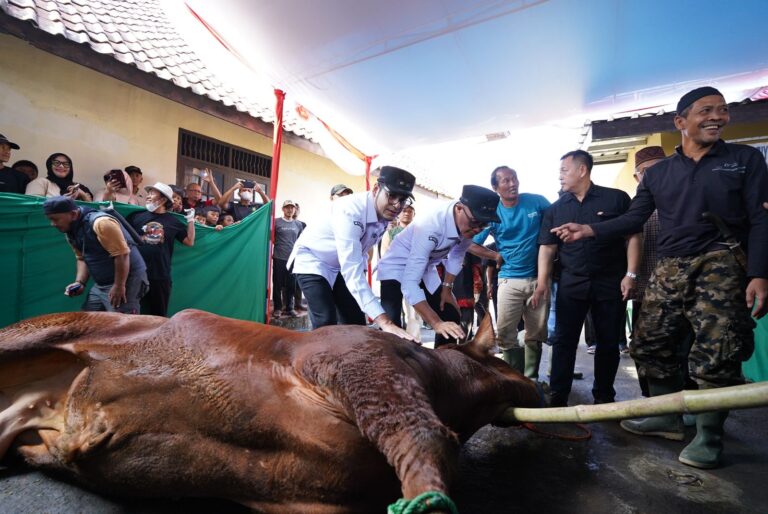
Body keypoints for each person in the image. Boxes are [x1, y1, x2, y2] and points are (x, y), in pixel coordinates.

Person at [550, 87, 768, 469]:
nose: (717, 116)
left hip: (720, 261)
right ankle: (667, 418)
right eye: (705, 111)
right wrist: (589, 230)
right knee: (650, 342)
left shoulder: (744, 159)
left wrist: (759, 273)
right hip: (670, 265)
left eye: (722, 110)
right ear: (681, 122)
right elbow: (634, 219)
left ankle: (709, 437)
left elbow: (762, 217)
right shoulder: (660, 173)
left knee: (718, 353)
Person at [533, 149, 641, 407]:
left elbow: (633, 237)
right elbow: (547, 248)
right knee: (563, 341)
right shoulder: (556, 209)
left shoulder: (616, 199)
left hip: (610, 281)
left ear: (582, 170)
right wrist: (542, 282)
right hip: (572, 282)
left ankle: (604, 396)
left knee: (608, 343)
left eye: (564, 170)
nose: (560, 176)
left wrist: (631, 274)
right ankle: (559, 396)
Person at [289, 166, 416, 340]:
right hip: (313, 259)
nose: (396, 205)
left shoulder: (385, 215)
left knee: (356, 323)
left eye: (403, 200)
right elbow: (352, 270)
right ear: (376, 189)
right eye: (391, 195)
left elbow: (362, 251)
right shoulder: (350, 210)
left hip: (340, 266)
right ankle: (318, 365)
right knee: (326, 321)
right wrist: (386, 323)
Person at [378, 185, 502, 346]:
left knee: (450, 315)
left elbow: (457, 255)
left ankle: (443, 361)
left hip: (426, 267)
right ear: (459, 209)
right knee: (392, 325)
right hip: (396, 266)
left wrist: (447, 287)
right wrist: (436, 323)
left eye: (483, 225)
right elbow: (410, 283)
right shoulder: (431, 226)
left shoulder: (467, 224)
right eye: (475, 222)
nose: (477, 229)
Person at [472, 166, 551, 378]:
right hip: (508, 281)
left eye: (514, 178)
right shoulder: (492, 212)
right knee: (506, 333)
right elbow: (470, 243)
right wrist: (494, 256)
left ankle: (531, 378)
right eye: (505, 181)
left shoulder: (537, 202)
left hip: (539, 279)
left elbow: (555, 223)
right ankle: (514, 379)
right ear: (495, 187)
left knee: (536, 332)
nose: (512, 184)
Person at [43, 195, 148, 313]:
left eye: (55, 219)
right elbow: (82, 258)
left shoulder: (102, 223)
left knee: (123, 327)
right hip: (102, 283)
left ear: (73, 214)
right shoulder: (70, 230)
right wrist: (80, 282)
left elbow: (122, 255)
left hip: (127, 280)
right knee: (87, 322)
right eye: (50, 219)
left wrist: (119, 286)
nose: (53, 224)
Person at [127, 182, 195, 316]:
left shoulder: (174, 222)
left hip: (160, 275)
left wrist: (191, 221)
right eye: (149, 193)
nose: (148, 196)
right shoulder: (136, 216)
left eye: (152, 193)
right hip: (136, 274)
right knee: (130, 313)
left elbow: (189, 242)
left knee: (158, 316)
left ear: (163, 199)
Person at [379, 205, 422, 340]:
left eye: (410, 211)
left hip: (414, 275)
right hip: (393, 276)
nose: (407, 213)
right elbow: (384, 255)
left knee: (414, 312)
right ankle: (394, 341)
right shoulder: (390, 233)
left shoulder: (419, 232)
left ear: (414, 214)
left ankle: (414, 341)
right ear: (398, 214)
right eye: (404, 210)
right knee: (392, 310)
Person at [272, 200, 303, 318]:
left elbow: (300, 241)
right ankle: (277, 308)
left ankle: (290, 308)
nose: (290, 210)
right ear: (283, 209)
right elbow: (271, 238)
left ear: (294, 210)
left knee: (291, 285)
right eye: (287, 208)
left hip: (293, 259)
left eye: (292, 208)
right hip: (279, 257)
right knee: (278, 284)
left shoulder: (298, 224)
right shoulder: (276, 222)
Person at [25, 153, 93, 201]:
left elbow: (93, 209)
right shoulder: (40, 182)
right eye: (56, 163)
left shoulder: (79, 187)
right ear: (49, 165)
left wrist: (82, 195)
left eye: (66, 164)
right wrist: (61, 201)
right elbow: (32, 206)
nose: (61, 166)